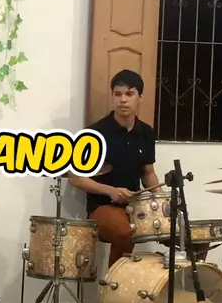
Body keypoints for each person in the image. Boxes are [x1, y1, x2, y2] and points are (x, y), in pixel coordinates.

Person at [68, 69, 162, 268]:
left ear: (140, 97)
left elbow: (148, 173)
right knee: (125, 232)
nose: (123, 100)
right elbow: (75, 178)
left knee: (182, 231)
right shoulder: (94, 133)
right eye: (118, 94)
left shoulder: (146, 132)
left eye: (129, 94)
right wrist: (111, 191)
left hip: (135, 206)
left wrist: (162, 200)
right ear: (112, 97)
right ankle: (115, 283)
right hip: (102, 206)